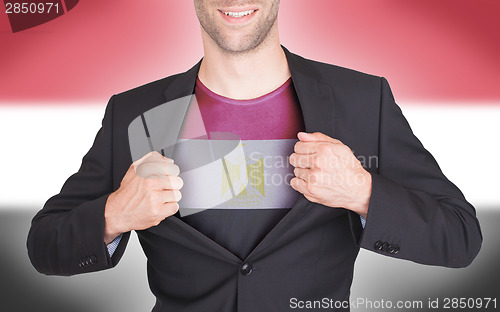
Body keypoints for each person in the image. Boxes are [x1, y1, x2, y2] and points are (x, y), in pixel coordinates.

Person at [27, 1, 482, 311]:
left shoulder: (362, 101)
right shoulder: (137, 113)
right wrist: (114, 214)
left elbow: (460, 236)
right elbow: (45, 245)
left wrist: (363, 192)